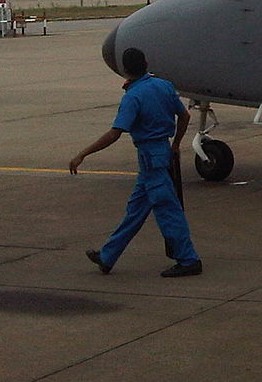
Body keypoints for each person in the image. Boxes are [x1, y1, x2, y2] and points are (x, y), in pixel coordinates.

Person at [69, 47, 203, 277]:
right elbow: (184, 116)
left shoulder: (134, 97)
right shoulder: (163, 86)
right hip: (159, 154)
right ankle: (108, 256)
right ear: (146, 63)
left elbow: (115, 133)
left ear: (126, 71)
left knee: (168, 211)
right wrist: (175, 144)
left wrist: (84, 153)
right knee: (135, 211)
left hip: (151, 159)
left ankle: (189, 259)